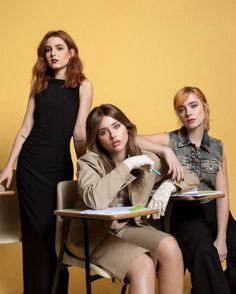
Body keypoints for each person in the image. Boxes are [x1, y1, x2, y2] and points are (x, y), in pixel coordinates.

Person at [67, 103, 199, 294]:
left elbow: (190, 176)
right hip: (94, 235)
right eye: (103, 132)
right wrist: (127, 165)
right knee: (143, 265)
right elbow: (95, 200)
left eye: (116, 126)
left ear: (126, 128)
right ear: (97, 139)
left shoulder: (147, 160)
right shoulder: (89, 162)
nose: (113, 135)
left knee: (170, 247)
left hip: (129, 228)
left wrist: (169, 185)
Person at [0, 30, 93, 294]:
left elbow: (79, 133)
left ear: (71, 53)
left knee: (55, 234)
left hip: (58, 167)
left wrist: (84, 167)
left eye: (59, 48)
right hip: (30, 168)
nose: (53, 53)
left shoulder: (83, 86)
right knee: (34, 238)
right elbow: (24, 130)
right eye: (48, 49)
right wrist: (8, 168)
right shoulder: (38, 86)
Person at [136, 86, 236, 294]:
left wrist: (221, 237)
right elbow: (132, 138)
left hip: (214, 211)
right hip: (185, 213)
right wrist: (164, 150)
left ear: (204, 107)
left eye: (193, 105)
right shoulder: (171, 140)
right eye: (181, 109)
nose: (188, 113)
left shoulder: (218, 147)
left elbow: (222, 195)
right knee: (204, 253)